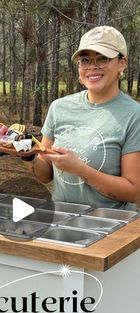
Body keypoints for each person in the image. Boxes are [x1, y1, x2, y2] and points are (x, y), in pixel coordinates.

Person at [23, 26, 140, 210]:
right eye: (85, 60)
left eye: (102, 58)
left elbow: (134, 192)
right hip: (62, 221)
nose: (92, 66)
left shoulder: (134, 115)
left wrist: (79, 169)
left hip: (113, 227)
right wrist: (26, 155)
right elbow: (46, 174)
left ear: (122, 63)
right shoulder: (59, 107)